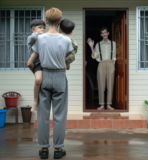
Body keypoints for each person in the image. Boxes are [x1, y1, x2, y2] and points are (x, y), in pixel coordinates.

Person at [32, 7, 73, 159]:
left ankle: (43, 150)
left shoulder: (39, 39)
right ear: (60, 22)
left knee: (42, 115)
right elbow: (66, 61)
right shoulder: (67, 40)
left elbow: (34, 59)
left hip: (45, 75)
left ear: (47, 21)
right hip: (60, 76)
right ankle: (57, 149)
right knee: (60, 115)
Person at [87, 27, 116, 110]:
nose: (104, 34)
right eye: (102, 33)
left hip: (110, 63)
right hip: (101, 64)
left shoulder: (113, 43)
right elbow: (95, 56)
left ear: (108, 33)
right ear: (101, 35)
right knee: (101, 85)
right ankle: (102, 104)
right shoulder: (98, 44)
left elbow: (114, 55)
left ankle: (109, 104)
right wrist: (91, 47)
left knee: (110, 85)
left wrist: (113, 65)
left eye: (105, 32)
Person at [27, 19, 45, 113]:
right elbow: (34, 37)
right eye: (40, 28)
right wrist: (41, 34)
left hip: (45, 62)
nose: (42, 29)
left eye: (44, 28)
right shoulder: (31, 37)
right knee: (38, 80)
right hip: (36, 63)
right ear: (33, 29)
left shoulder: (43, 37)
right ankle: (35, 101)